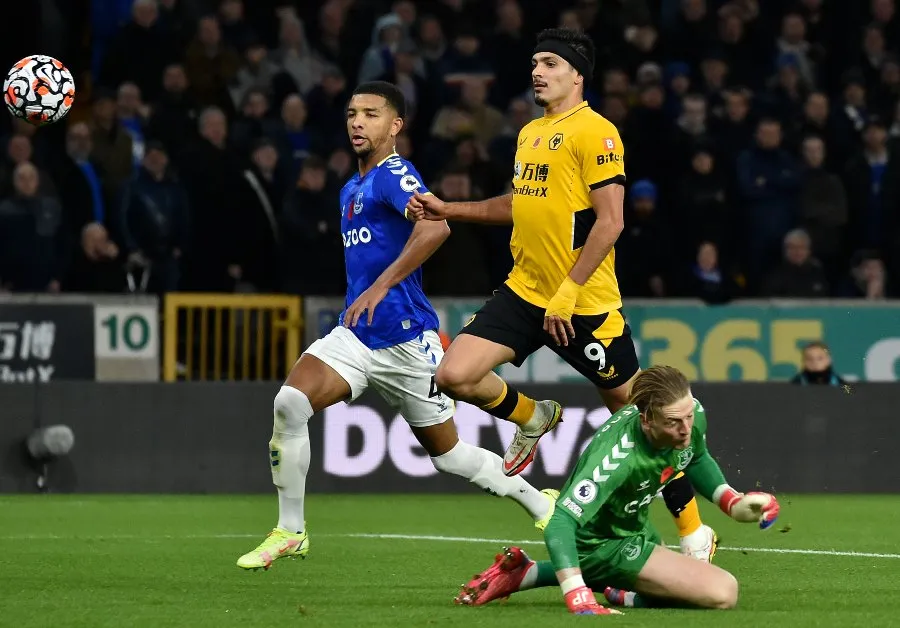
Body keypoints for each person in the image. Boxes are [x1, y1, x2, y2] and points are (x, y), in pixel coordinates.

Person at [406, 27, 717, 560]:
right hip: (525, 291)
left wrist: (569, 291)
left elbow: (612, 221)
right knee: (453, 375)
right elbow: (520, 204)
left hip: (584, 304)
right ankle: (532, 415)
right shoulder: (529, 133)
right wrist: (450, 209)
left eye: (549, 63)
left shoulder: (597, 132)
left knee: (643, 416)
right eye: (534, 63)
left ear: (577, 73)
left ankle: (693, 532)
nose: (537, 72)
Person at [236, 81, 558, 571]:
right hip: (357, 336)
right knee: (290, 402)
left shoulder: (395, 174)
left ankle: (541, 503)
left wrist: (382, 285)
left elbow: (437, 225)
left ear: (395, 125)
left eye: (370, 114)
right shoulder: (350, 187)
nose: (357, 122)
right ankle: (291, 531)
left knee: (449, 457)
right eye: (351, 114)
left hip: (407, 341)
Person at [454, 365, 780, 615]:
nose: (685, 429)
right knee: (723, 591)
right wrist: (575, 592)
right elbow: (559, 522)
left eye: (688, 417)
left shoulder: (687, 414)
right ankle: (594, 579)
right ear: (646, 420)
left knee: (667, 589)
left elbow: (695, 456)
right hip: (603, 543)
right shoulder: (613, 459)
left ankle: (530, 572)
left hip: (634, 528)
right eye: (673, 422)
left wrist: (733, 502)